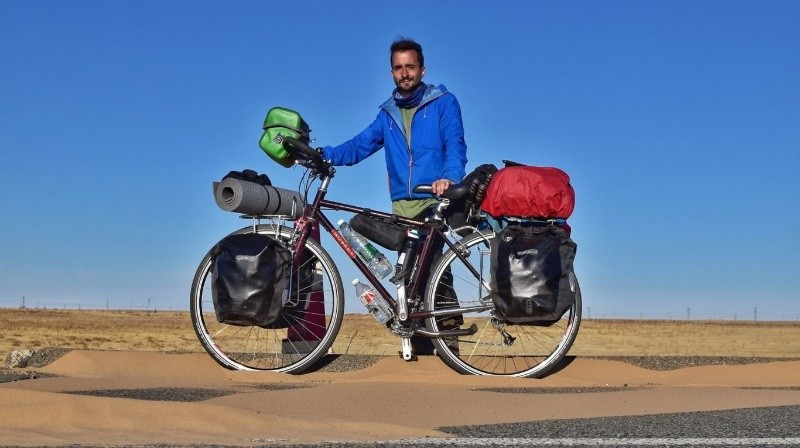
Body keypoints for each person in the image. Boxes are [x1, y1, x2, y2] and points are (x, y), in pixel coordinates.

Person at [321, 37, 468, 354]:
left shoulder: (443, 102)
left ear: (422, 69)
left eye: (410, 67)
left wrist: (450, 178)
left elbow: (455, 145)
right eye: (398, 68)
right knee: (409, 279)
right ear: (392, 73)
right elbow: (359, 145)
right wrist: (325, 155)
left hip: (435, 198)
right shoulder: (387, 115)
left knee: (432, 271)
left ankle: (450, 345)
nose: (405, 73)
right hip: (402, 205)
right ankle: (419, 343)